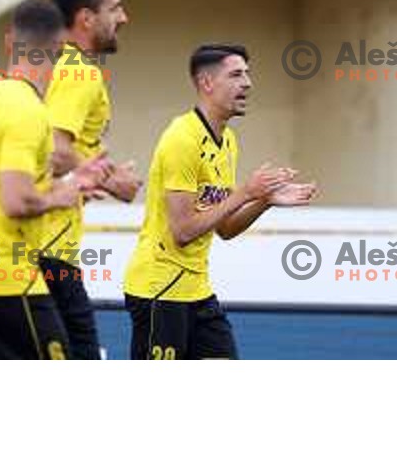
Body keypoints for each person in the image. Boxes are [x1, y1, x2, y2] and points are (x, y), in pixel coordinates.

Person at [124, 44, 317, 360]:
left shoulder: (228, 141)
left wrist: (263, 201)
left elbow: (224, 227)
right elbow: (183, 232)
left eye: (248, 74)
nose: (248, 83)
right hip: (159, 290)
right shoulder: (181, 139)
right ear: (207, 83)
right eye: (236, 75)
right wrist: (245, 193)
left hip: (198, 291)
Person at [0, 0, 106, 360]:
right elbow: (16, 202)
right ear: (59, 50)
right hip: (7, 278)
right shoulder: (28, 109)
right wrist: (63, 198)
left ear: (12, 42)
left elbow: (10, 178)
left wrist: (72, 179)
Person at [43, 0, 142, 359]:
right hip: (49, 251)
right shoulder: (79, 71)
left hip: (30, 247)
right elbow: (50, 148)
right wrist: (111, 177)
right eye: (115, 8)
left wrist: (84, 180)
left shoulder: (48, 64)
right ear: (86, 18)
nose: (124, 17)